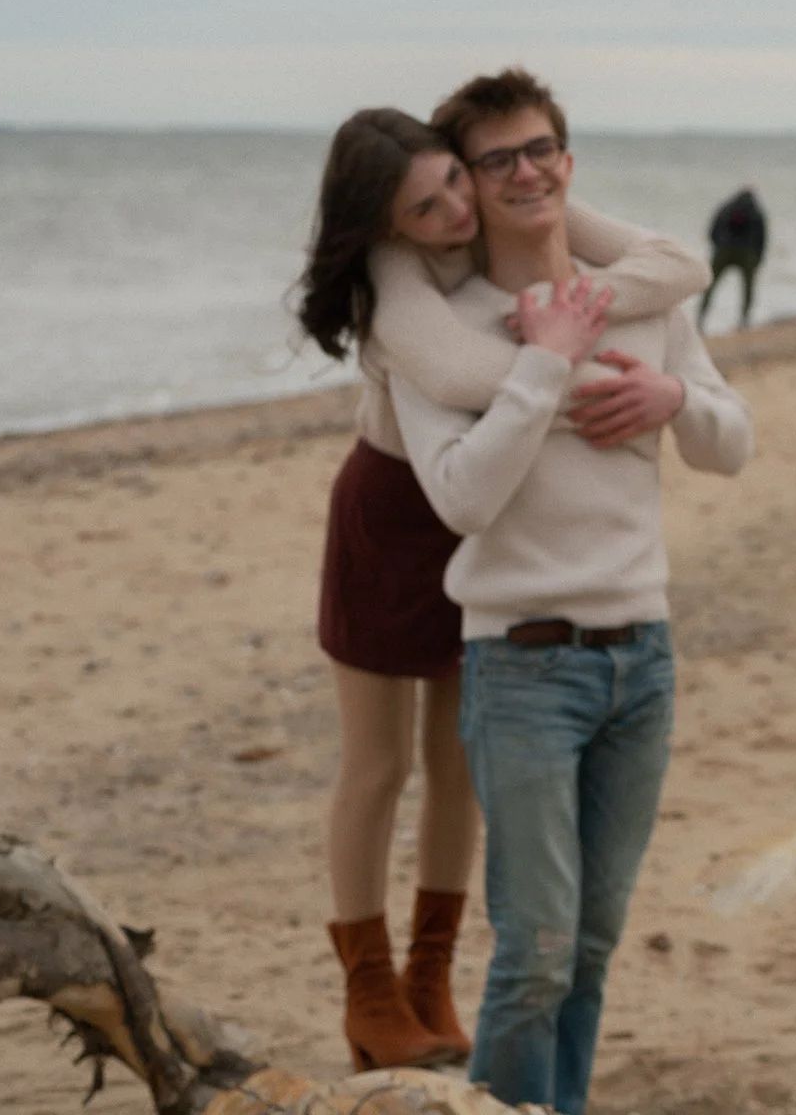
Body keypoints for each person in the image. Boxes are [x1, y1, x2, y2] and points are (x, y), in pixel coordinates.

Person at [293, 109, 706, 1073]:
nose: (450, 213)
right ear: (384, 223)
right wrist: (589, 372)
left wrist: (634, 359)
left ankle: (430, 977)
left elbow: (678, 267)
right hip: (400, 512)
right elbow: (463, 370)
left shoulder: (492, 202)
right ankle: (369, 989)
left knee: (459, 765)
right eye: (422, 205)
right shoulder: (395, 275)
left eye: (452, 186)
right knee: (376, 765)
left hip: (495, 496)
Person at [388, 69, 754, 1115]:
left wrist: (673, 394)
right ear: (468, 181)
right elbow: (459, 497)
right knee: (535, 950)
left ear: (568, 159)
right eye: (496, 158)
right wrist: (541, 367)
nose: (525, 171)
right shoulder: (445, 331)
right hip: (521, 663)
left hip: (644, 655)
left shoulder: (641, 304)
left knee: (589, 948)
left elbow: (734, 443)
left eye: (539, 147)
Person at [701, 187, 768, 331]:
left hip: (724, 250)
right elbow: (762, 239)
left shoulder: (726, 208)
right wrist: (758, 259)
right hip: (747, 253)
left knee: (710, 286)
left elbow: (712, 230)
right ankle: (744, 320)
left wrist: (718, 246)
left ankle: (700, 319)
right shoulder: (757, 212)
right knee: (747, 289)